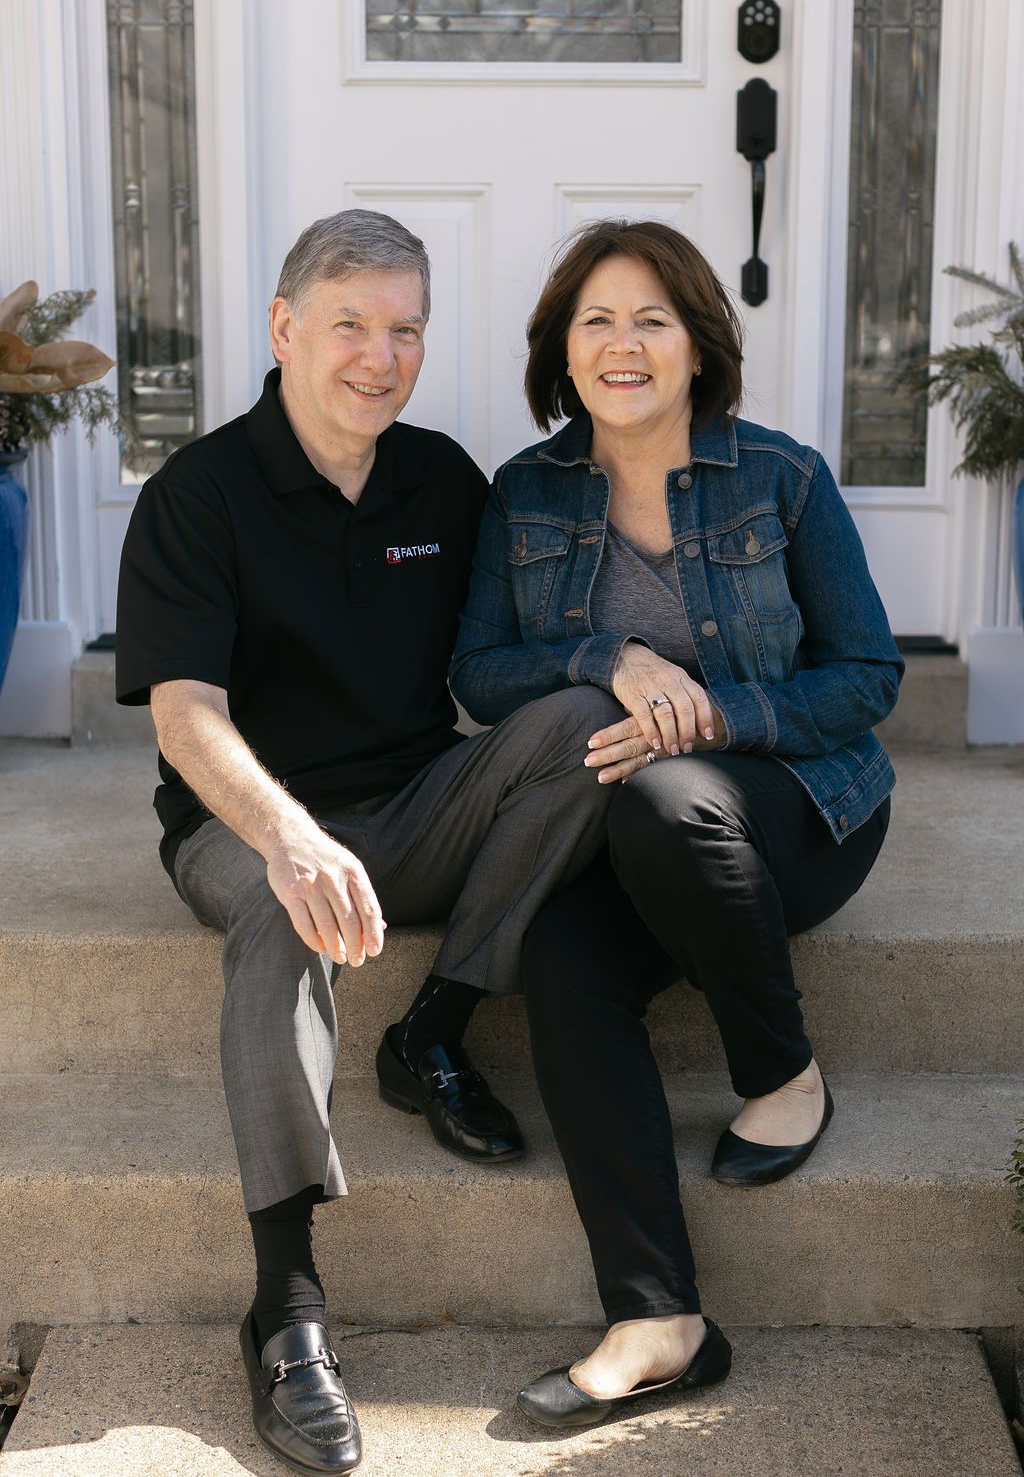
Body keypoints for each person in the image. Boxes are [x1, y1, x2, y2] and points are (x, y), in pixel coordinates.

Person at [115, 209, 616, 1474]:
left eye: (405, 330)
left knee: (583, 727)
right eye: (350, 325)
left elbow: (510, 664)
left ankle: (431, 1029)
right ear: (284, 329)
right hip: (247, 826)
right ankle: (284, 1311)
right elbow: (185, 717)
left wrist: (624, 655)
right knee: (285, 908)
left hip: (414, 804)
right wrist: (286, 837)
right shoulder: (197, 495)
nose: (377, 357)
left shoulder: (442, 480)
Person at [449, 219, 903, 1428]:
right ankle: (659, 1319)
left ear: (699, 346)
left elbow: (866, 679)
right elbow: (481, 674)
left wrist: (707, 719)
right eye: (595, 319)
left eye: (652, 317)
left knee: (662, 793)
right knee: (558, 961)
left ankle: (780, 1068)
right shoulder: (526, 492)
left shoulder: (781, 478)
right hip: (632, 832)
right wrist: (613, 656)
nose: (622, 343)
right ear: (562, 349)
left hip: (799, 810)